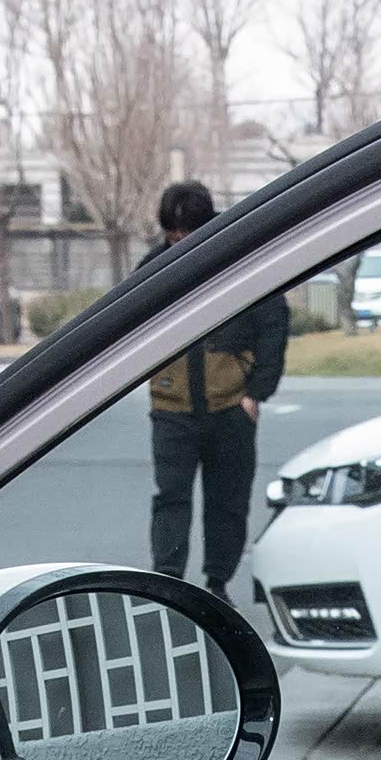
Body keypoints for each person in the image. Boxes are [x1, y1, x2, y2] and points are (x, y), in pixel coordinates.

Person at [144, 179, 290, 594]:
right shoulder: (152, 270)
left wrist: (256, 393)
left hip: (231, 407)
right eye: (172, 234)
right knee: (170, 498)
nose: (178, 241)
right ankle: (168, 582)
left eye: (186, 233)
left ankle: (217, 583)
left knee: (228, 500)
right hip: (172, 408)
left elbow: (274, 325)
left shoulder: (241, 262)